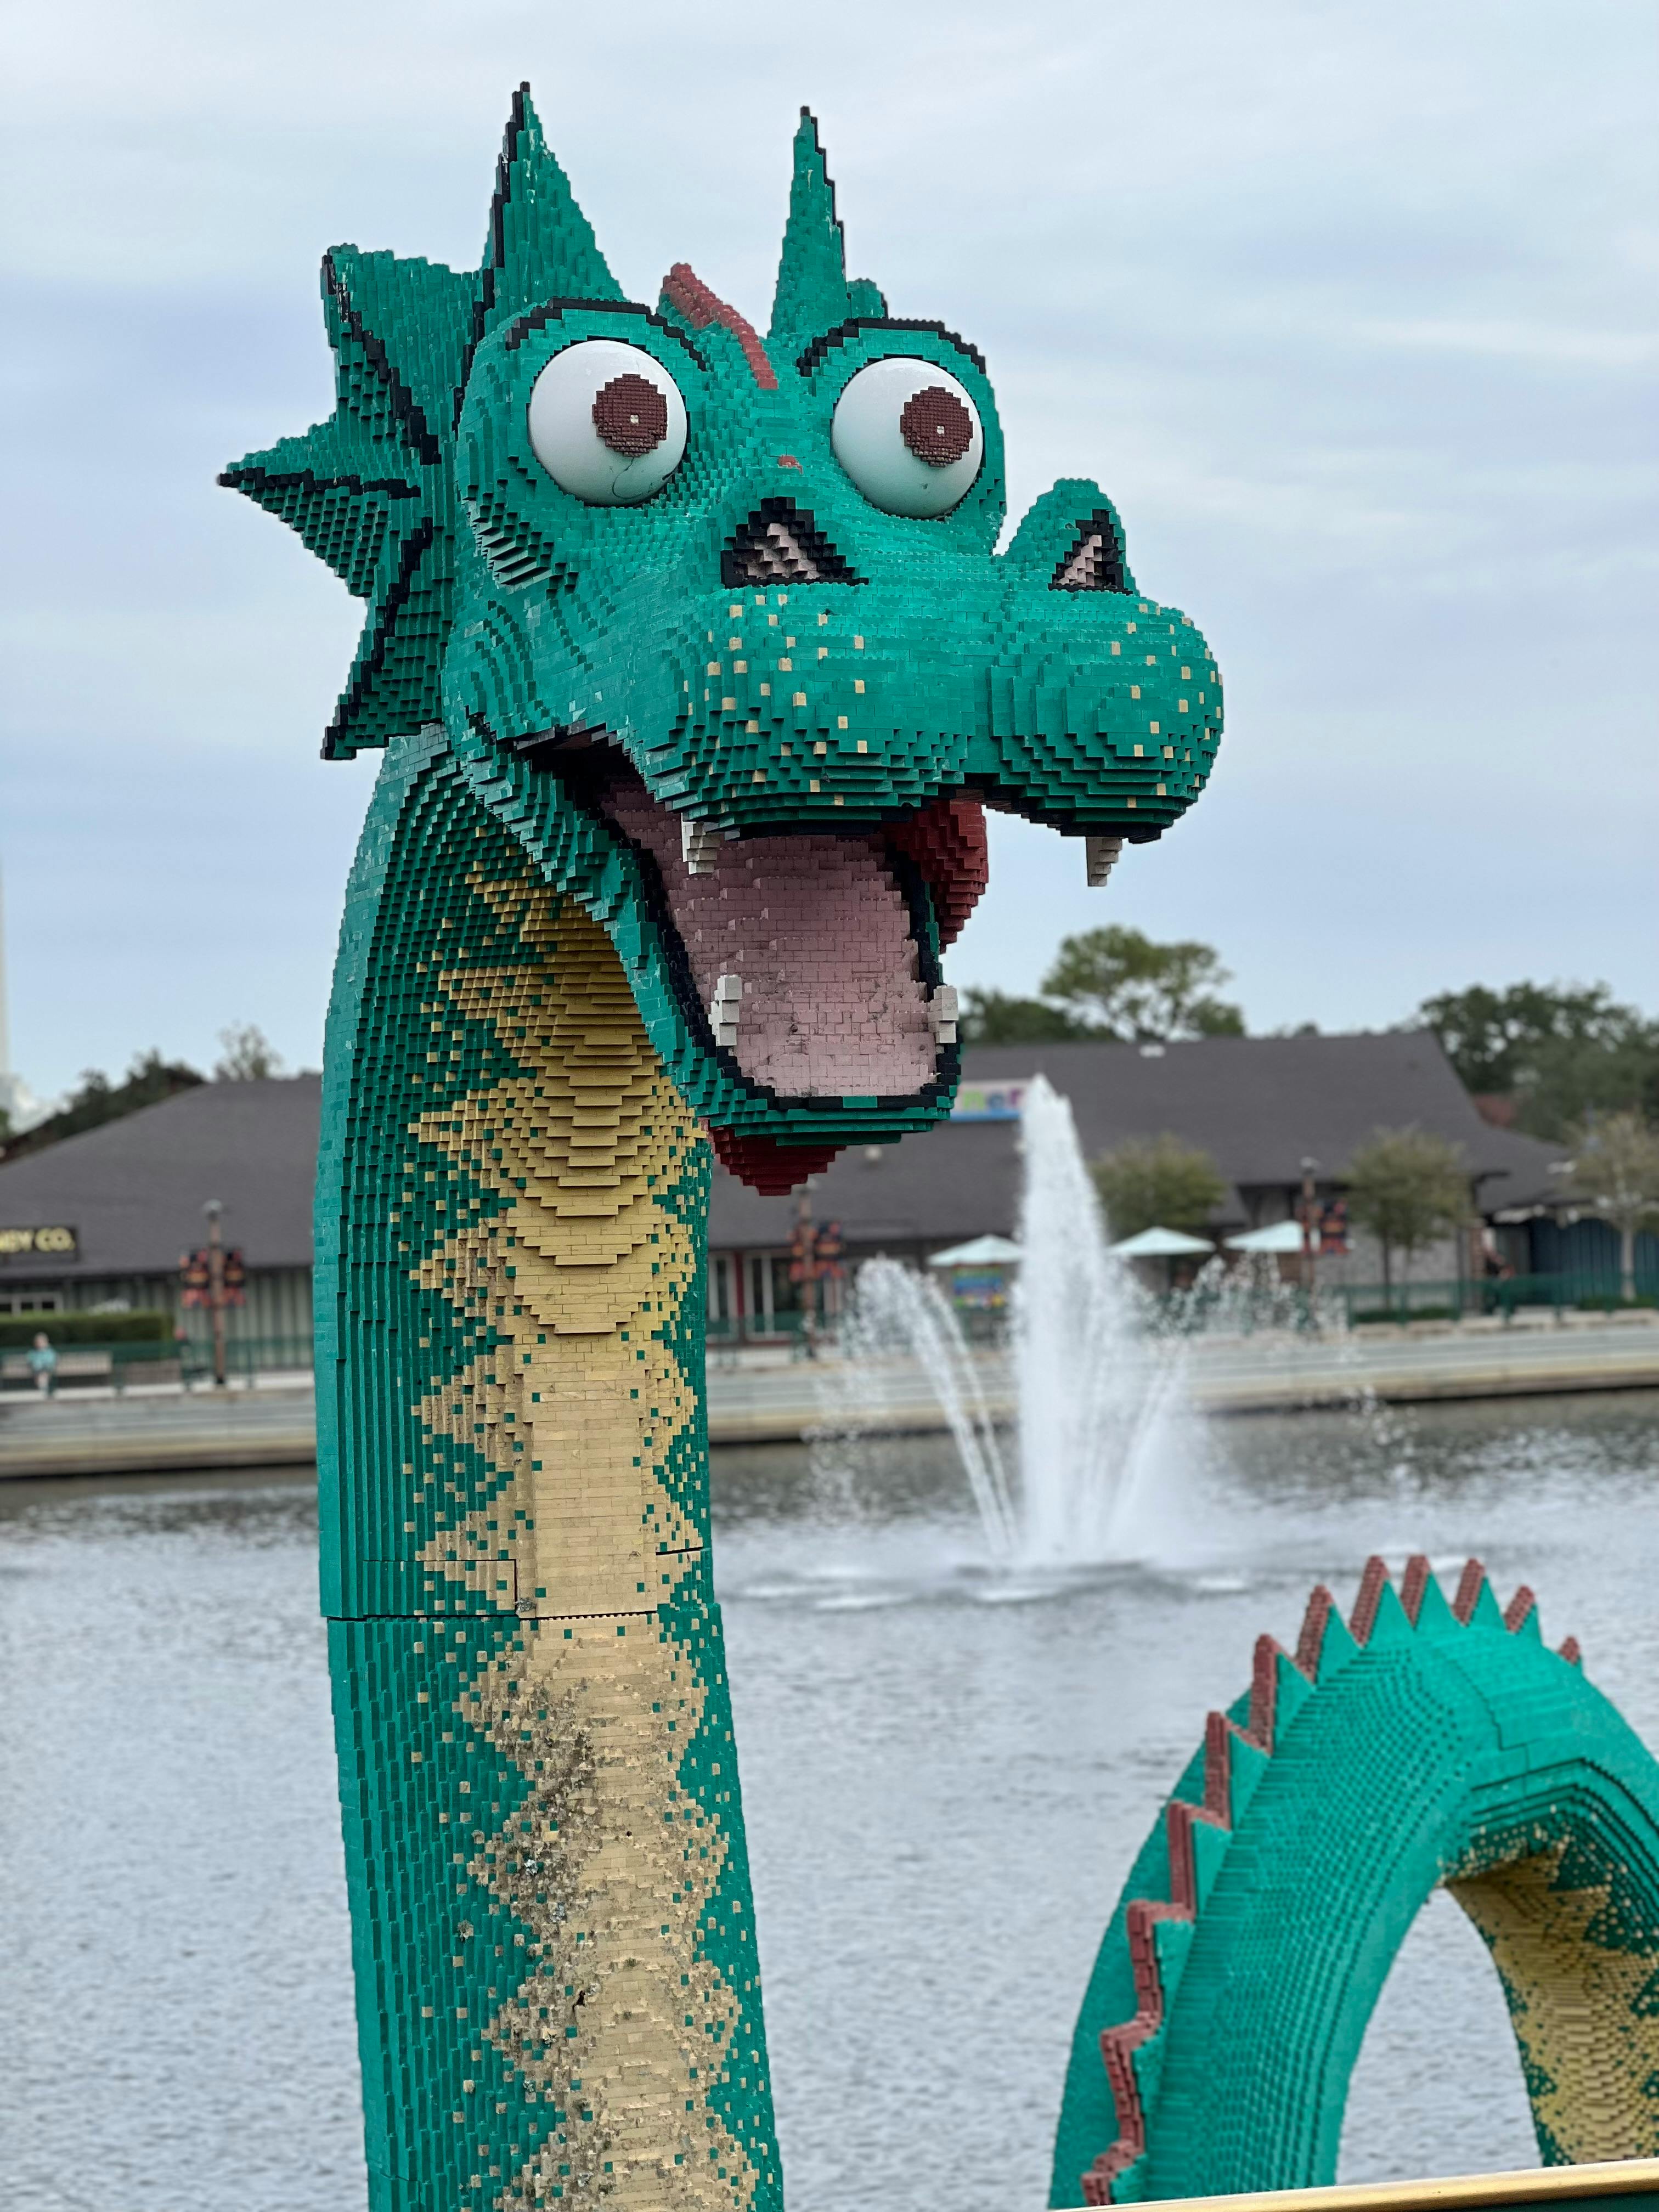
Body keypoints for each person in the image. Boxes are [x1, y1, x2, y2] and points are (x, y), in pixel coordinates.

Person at [27, 1330, 57, 1396]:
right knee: (41, 1374)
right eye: (38, 1342)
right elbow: (30, 1360)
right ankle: (45, 1390)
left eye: (41, 1342)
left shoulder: (50, 1352)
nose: (39, 1344)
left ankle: (43, 1390)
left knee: (43, 1375)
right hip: (36, 1370)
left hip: (47, 1369)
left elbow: (51, 1361)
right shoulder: (33, 1352)